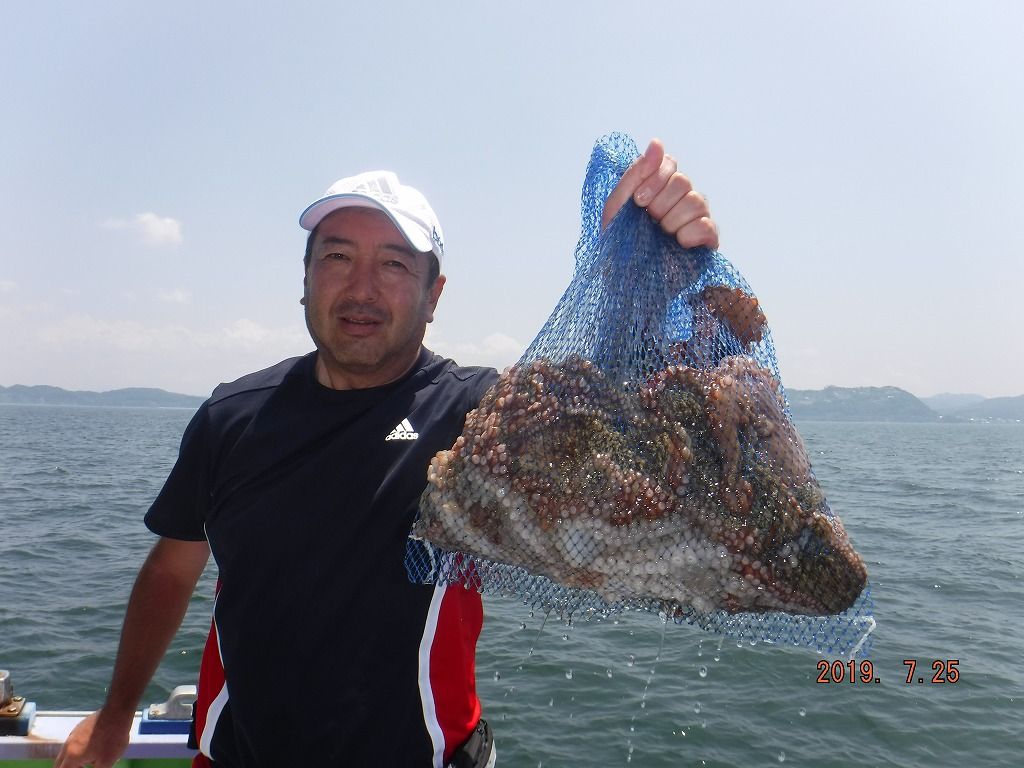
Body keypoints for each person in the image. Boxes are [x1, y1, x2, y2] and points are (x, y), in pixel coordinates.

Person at [55, 139, 718, 768]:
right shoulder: (230, 417)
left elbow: (621, 445)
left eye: (395, 264)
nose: (362, 287)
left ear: (434, 295)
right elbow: (171, 571)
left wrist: (643, 284)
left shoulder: (474, 416)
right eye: (337, 256)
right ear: (306, 279)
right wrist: (115, 716)